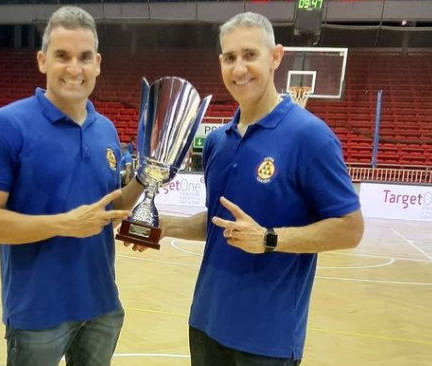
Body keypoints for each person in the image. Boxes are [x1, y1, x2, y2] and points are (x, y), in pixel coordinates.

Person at [155, 12, 364, 366]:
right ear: (220, 62)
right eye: (230, 57)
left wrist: (269, 239)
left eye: (250, 55)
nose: (239, 69)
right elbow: (221, 222)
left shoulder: (310, 136)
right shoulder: (218, 141)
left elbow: (350, 228)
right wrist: (165, 226)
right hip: (205, 324)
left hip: (268, 340)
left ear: (276, 57)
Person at [0, 6, 145, 366]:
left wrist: (145, 180)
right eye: (62, 56)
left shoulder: (107, 131)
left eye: (83, 57)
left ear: (98, 63)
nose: (74, 69)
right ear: (42, 60)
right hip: (37, 314)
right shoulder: (5, 126)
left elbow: (104, 213)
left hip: (102, 307)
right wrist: (64, 224)